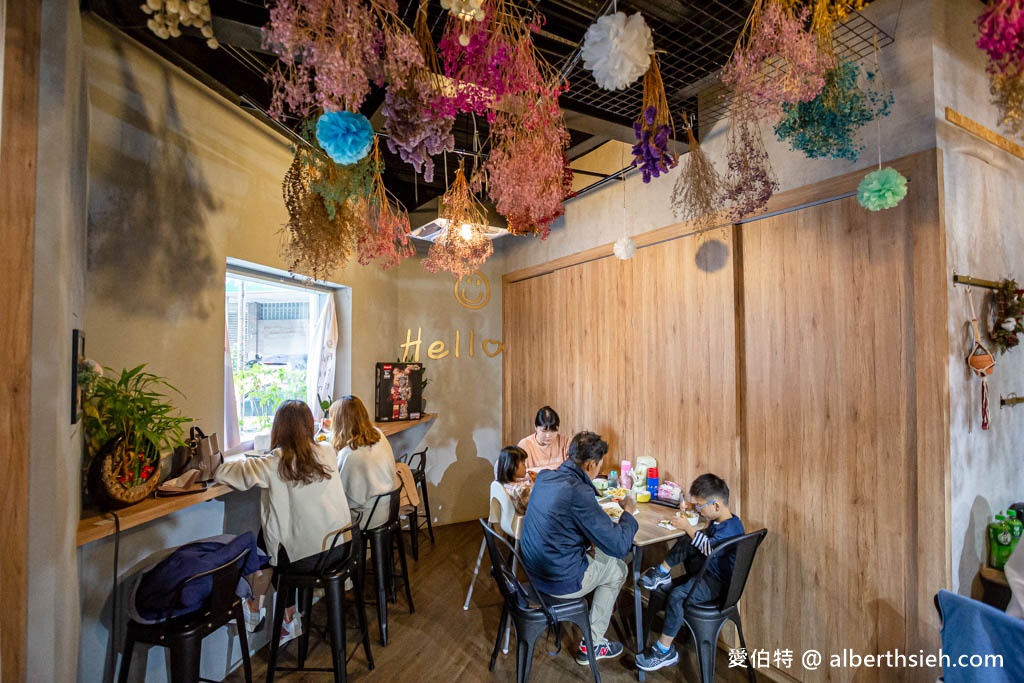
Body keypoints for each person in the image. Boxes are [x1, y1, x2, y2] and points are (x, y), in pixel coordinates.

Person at [215, 400, 351, 644]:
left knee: (268, 548)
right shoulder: (327, 451)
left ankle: (263, 609)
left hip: (308, 560)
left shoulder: (273, 462)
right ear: (309, 426)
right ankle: (281, 616)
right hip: (342, 549)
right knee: (267, 543)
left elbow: (226, 473)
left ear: (278, 429)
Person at [520, 431, 638, 666]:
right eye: (599, 466)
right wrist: (629, 513)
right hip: (558, 580)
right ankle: (592, 644)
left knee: (605, 555)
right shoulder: (579, 492)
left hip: (532, 572)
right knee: (618, 570)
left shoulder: (545, 478)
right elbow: (619, 545)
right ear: (591, 464)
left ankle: (600, 611)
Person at [634, 473, 746, 672]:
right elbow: (702, 541)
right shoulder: (727, 520)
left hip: (717, 584)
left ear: (716, 506)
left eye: (701, 507)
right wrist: (693, 512)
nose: (700, 510)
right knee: (689, 539)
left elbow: (709, 549)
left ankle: (664, 650)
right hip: (707, 571)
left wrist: (688, 527)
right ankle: (662, 571)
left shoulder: (730, 531)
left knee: (677, 596)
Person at [330, 395, 398, 530]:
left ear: (339, 423)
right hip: (389, 507)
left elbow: (342, 497)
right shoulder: (378, 435)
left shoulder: (350, 455)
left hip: (367, 517)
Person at [517, 405, 571, 470]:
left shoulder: (566, 442)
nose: (548, 436)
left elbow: (575, 469)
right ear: (535, 427)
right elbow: (518, 475)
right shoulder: (525, 445)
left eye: (553, 431)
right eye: (544, 431)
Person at [495, 445, 532, 515]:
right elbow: (534, 509)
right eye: (523, 464)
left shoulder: (499, 483)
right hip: (521, 522)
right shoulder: (522, 489)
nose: (526, 467)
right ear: (513, 467)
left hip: (505, 520)